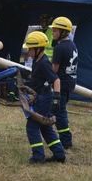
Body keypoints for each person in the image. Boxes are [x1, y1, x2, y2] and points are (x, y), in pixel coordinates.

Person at [23, 31, 66, 164]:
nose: (28, 51)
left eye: (30, 49)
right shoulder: (37, 60)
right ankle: (59, 154)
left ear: (38, 48)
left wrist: (56, 99)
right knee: (45, 126)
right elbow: (37, 77)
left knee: (32, 126)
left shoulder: (44, 63)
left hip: (45, 98)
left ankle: (38, 157)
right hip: (41, 97)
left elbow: (56, 80)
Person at [50, 16, 78, 149]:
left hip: (60, 84)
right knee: (59, 111)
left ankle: (66, 141)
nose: (53, 33)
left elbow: (54, 70)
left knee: (60, 113)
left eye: (55, 31)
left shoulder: (59, 48)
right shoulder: (72, 45)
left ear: (63, 32)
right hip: (70, 83)